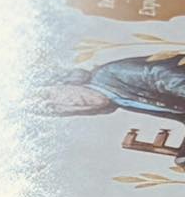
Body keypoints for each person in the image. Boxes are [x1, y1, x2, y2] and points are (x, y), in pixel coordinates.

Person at [35, 54, 185, 149]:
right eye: (56, 108)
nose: (71, 104)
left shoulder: (110, 73)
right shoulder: (118, 99)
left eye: (49, 95)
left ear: (66, 82)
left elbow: (164, 75)